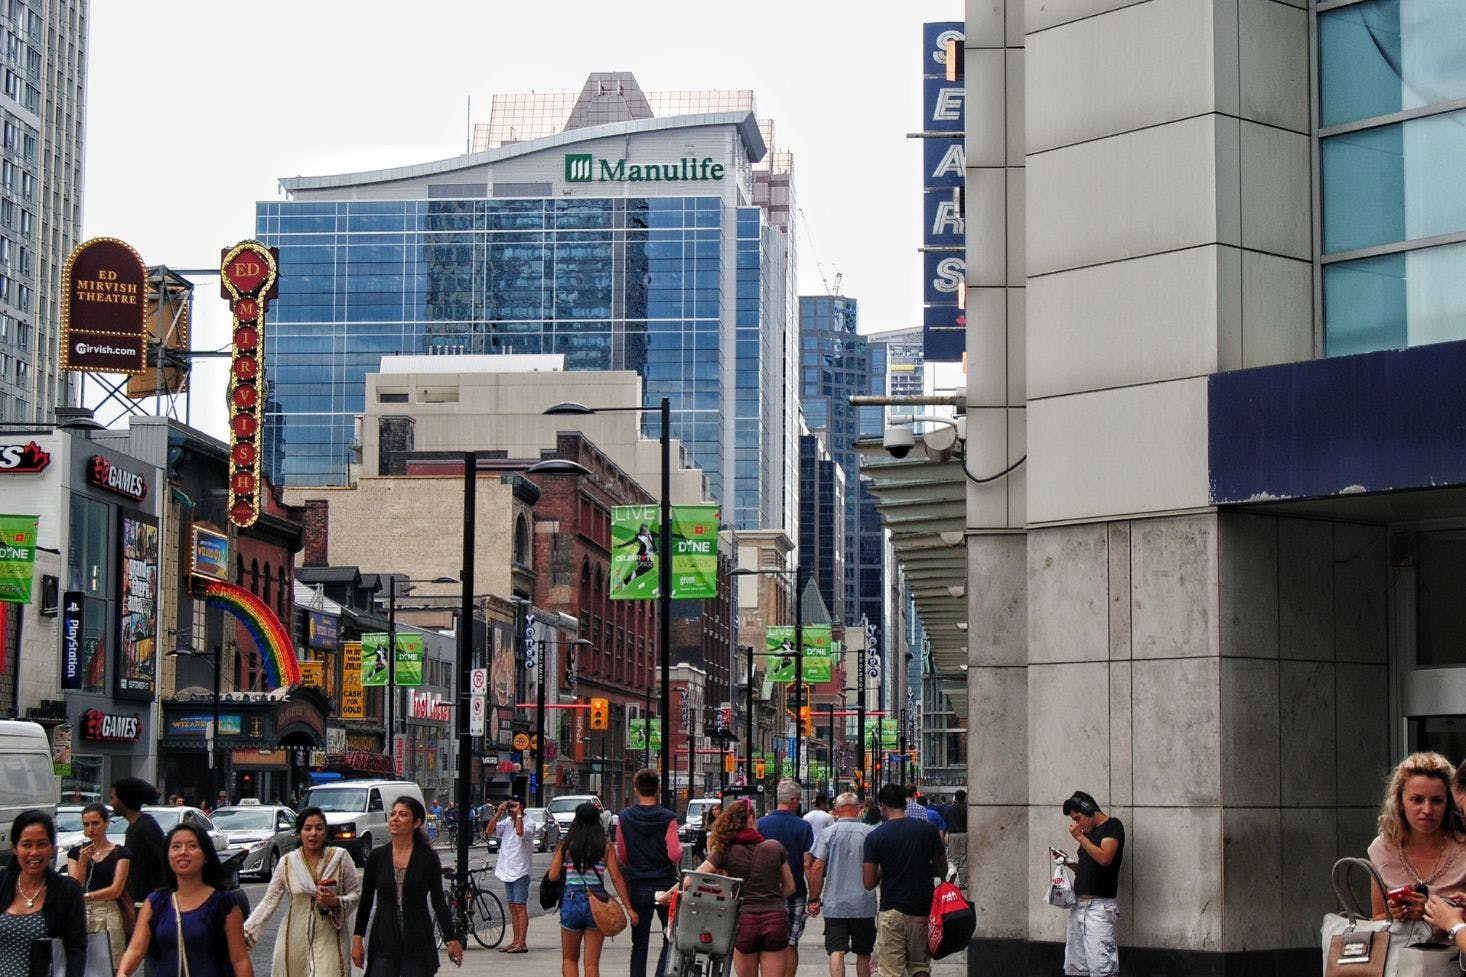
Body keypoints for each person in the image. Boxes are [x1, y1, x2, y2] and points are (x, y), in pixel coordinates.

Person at [115, 822, 255, 977]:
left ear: (206, 855)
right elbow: (136, 949)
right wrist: (123, 972)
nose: (183, 852)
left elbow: (240, 960)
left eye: (192, 846)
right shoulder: (155, 902)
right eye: (175, 847)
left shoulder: (224, 903)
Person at [243, 806, 361, 977]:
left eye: (319, 828)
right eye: (307, 828)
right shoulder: (287, 863)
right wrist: (245, 935)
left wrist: (335, 902)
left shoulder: (340, 858)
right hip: (294, 939)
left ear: (325, 832)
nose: (313, 833)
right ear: (299, 833)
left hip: (331, 936)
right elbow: (268, 902)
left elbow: (355, 894)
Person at [351, 797, 461, 976]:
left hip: (417, 934)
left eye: (403, 815)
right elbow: (366, 902)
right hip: (384, 934)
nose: (395, 819)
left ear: (416, 822)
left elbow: (438, 901)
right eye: (393, 814)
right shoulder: (377, 857)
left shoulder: (428, 858)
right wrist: (358, 939)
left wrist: (451, 938)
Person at [691, 798, 793, 977]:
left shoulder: (724, 851)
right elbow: (790, 886)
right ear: (751, 819)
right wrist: (773, 897)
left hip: (745, 919)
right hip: (775, 917)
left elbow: (692, 880)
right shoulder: (775, 847)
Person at [1368, 752, 1466, 938]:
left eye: (1437, 800)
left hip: (1456, 961)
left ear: (1449, 802)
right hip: (1400, 961)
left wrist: (1430, 911)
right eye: (1417, 800)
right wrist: (1395, 915)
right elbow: (1378, 918)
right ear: (1400, 801)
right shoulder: (1382, 850)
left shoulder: (1463, 847)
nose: (1427, 810)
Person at [862, 784, 945, 977]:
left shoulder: (875, 837)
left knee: (891, 971)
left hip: (892, 910)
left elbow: (868, 882)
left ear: (882, 806)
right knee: (920, 967)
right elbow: (942, 868)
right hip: (923, 909)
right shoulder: (928, 830)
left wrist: (884, 869)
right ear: (906, 802)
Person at [548, 803, 637, 977]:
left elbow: (553, 876)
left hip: (571, 900)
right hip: (597, 902)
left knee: (569, 959)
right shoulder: (606, 846)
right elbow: (616, 878)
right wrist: (629, 908)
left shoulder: (566, 845)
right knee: (591, 964)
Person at [0, 810, 86, 977]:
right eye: (26, 845)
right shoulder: (2, 882)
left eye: (42, 844)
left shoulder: (67, 891)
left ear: (52, 847)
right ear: (14, 848)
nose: (34, 852)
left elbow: (76, 950)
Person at [615, 769, 680, 977]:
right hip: (666, 886)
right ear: (658, 790)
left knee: (640, 942)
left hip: (637, 884)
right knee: (669, 937)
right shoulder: (668, 818)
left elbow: (622, 856)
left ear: (636, 790)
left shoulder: (625, 818)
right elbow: (675, 853)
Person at [807, 793, 877, 977]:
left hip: (835, 903)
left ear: (837, 810)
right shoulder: (869, 833)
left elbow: (817, 867)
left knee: (836, 950)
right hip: (863, 904)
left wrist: (814, 898)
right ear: (859, 808)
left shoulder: (828, 833)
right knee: (864, 953)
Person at [1060, 791, 1125, 977]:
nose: (1078, 825)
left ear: (1089, 809)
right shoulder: (1089, 835)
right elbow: (1088, 868)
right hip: (1079, 906)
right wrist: (1069, 863)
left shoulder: (1112, 827)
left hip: (1098, 908)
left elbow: (1105, 858)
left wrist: (1081, 838)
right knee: (1076, 966)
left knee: (1101, 966)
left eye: (1079, 818)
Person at [757, 780, 814, 977]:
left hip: (764, 892)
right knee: (790, 942)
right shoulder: (803, 827)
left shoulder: (760, 825)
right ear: (795, 801)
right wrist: (814, 895)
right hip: (795, 891)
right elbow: (808, 863)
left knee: (766, 942)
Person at [67, 802, 132, 963]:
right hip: (81, 913)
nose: (91, 829)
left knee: (111, 963)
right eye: (86, 824)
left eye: (95, 823)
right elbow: (75, 887)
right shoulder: (76, 853)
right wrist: (82, 862)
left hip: (109, 912)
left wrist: (88, 896)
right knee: (84, 964)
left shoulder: (121, 853)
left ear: (106, 823)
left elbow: (116, 890)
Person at [111, 777, 166, 911]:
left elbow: (162, 864)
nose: (111, 803)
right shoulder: (134, 827)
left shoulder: (145, 828)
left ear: (124, 799)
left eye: (113, 798)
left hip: (149, 905)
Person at [492, 799, 533, 953]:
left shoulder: (529, 823)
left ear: (521, 807)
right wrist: (498, 814)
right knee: (512, 907)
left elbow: (520, 832)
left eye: (514, 805)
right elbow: (490, 831)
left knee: (520, 906)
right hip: (507, 870)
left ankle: (522, 942)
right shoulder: (506, 822)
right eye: (510, 806)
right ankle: (515, 941)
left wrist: (519, 815)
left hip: (521, 871)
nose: (511, 809)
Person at [943, 791, 967, 888]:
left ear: (955, 798)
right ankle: (963, 883)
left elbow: (944, 824)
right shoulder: (967, 809)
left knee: (952, 858)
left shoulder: (949, 808)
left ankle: (951, 880)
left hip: (952, 835)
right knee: (964, 858)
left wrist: (943, 836)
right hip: (965, 835)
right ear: (964, 798)